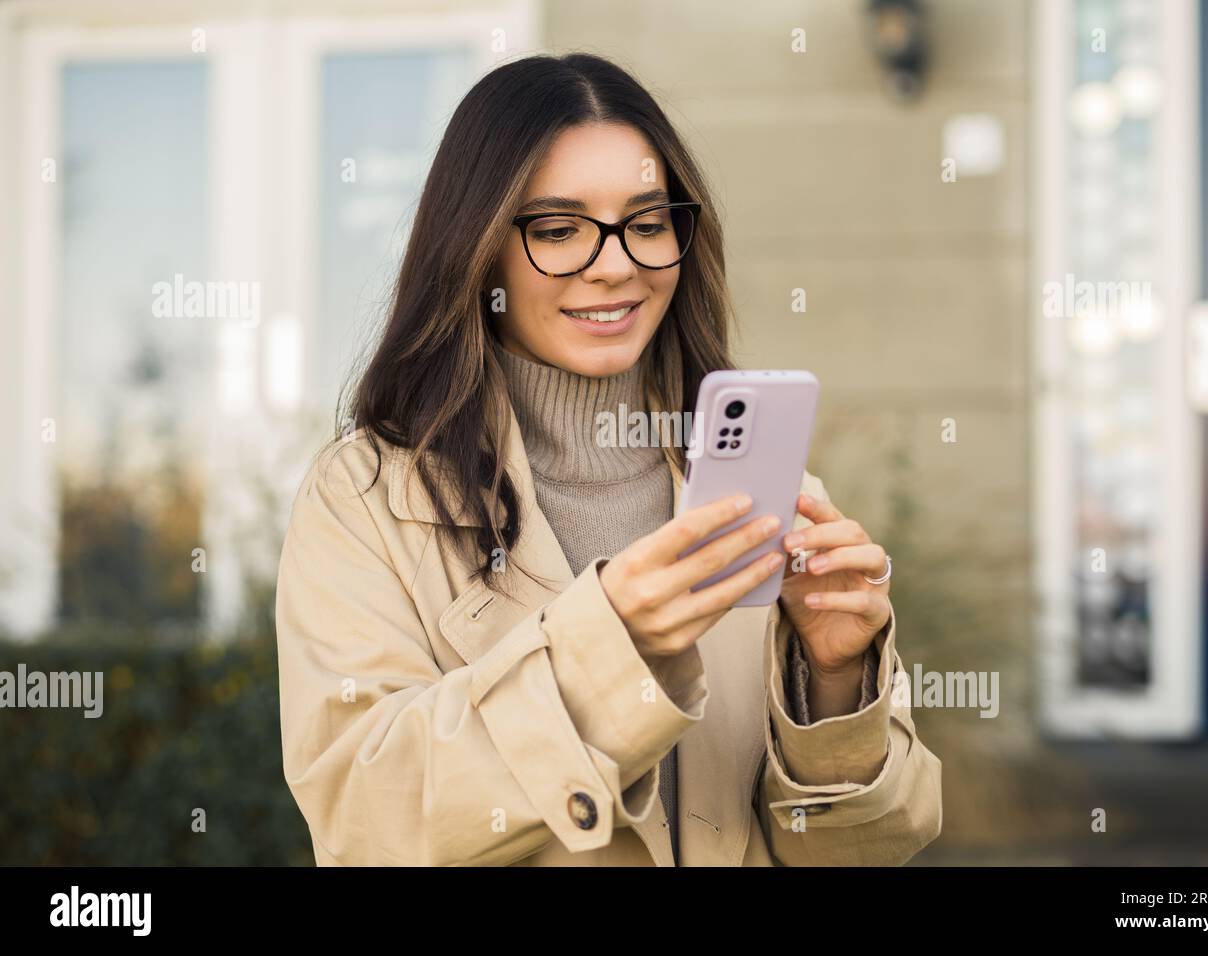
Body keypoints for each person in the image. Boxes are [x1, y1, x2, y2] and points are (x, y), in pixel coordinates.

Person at [275, 52, 941, 866]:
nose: (616, 264)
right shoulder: (366, 500)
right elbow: (363, 819)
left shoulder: (767, 494)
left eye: (648, 222)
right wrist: (609, 644)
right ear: (477, 248)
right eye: (557, 230)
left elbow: (861, 851)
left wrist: (835, 684)